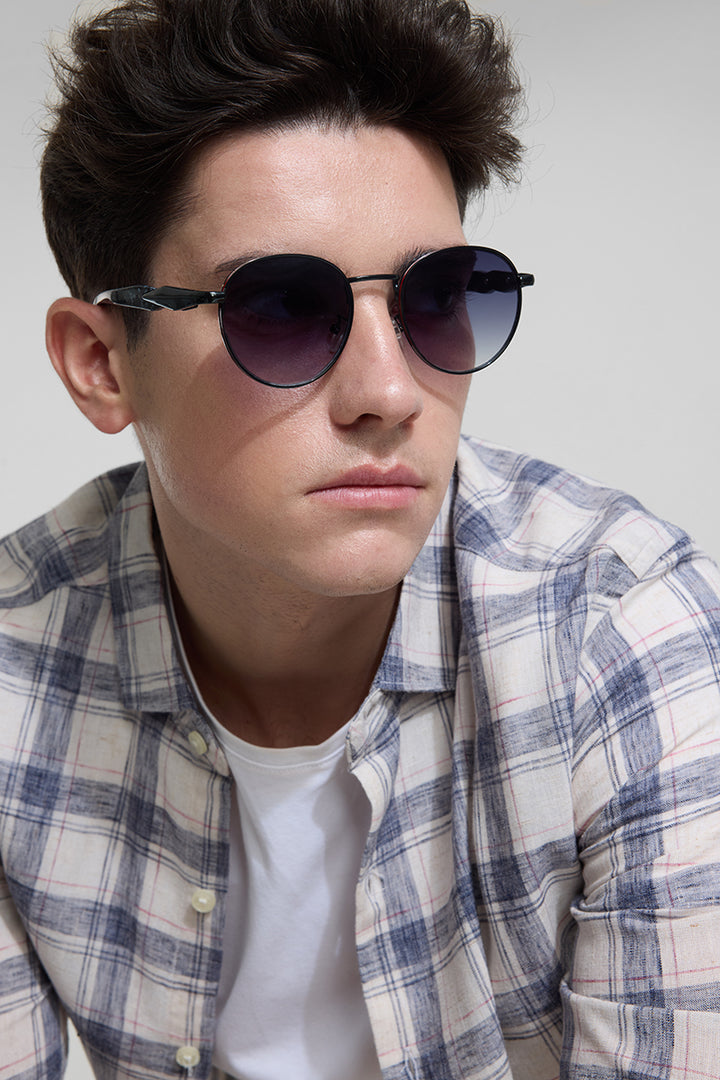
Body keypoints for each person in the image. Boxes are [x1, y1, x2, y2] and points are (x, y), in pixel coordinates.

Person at [1, 0, 719, 1077]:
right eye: (281, 309)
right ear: (102, 363)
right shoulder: (14, 673)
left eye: (438, 299)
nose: (390, 392)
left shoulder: (624, 641)